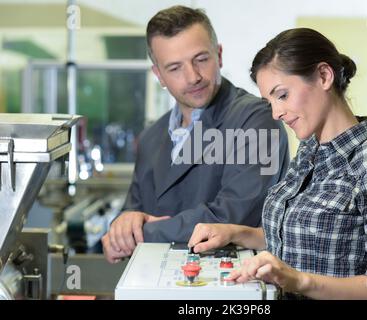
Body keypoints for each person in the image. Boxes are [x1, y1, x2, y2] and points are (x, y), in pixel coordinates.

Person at [188, 28, 367, 300]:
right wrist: (235, 233)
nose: (276, 112)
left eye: (282, 95)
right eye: (269, 101)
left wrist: (298, 281)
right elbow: (300, 237)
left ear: (324, 76)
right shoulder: (309, 150)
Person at [102, 6, 289, 263]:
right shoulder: (151, 137)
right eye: (175, 68)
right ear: (159, 75)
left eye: (201, 59)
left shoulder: (256, 119)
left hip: (232, 286)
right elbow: (132, 213)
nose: (193, 77)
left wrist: (142, 233)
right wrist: (122, 227)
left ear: (219, 55)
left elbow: (233, 216)